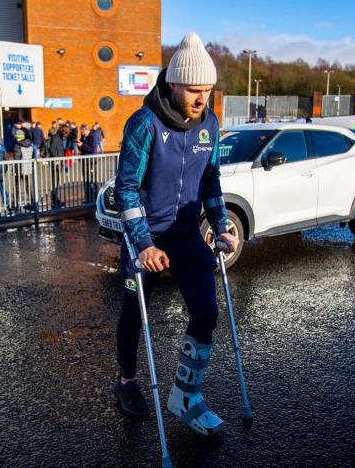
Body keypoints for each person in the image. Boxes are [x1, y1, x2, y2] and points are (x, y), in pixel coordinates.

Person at [113, 32, 238, 436]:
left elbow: (211, 182)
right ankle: (127, 381)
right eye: (194, 90)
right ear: (172, 84)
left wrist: (221, 225)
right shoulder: (144, 124)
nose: (202, 99)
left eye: (207, 90)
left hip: (185, 235)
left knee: (207, 311)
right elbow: (126, 188)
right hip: (144, 235)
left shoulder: (211, 124)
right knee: (136, 313)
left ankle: (185, 395)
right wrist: (143, 242)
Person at [12, 129, 33, 211]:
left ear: (17, 137)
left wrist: (14, 171)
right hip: (28, 168)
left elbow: (17, 160)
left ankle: (16, 203)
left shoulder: (17, 146)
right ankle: (32, 202)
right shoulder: (29, 144)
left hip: (20, 169)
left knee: (17, 186)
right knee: (28, 186)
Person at [46, 121, 65, 208]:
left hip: (59, 162)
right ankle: (54, 199)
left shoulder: (60, 137)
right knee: (54, 181)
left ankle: (56, 199)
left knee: (56, 181)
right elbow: (52, 150)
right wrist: (57, 158)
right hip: (55, 163)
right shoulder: (55, 137)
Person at [78, 124, 97, 204]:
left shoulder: (93, 137)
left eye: (83, 132)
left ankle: (95, 197)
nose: (82, 134)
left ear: (87, 130)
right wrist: (79, 146)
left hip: (91, 162)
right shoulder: (83, 137)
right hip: (84, 161)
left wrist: (82, 145)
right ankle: (88, 197)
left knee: (92, 180)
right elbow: (82, 149)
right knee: (85, 180)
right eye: (81, 132)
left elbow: (92, 149)